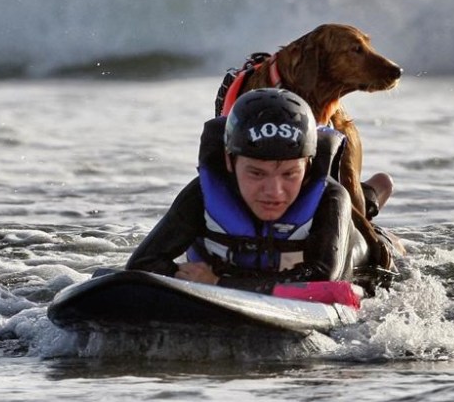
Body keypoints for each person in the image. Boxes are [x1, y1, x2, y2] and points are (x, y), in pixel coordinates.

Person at [125, 88, 398, 293]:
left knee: (373, 234)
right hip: (258, 271)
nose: (274, 191)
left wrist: (219, 282)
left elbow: (324, 281)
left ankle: (375, 193)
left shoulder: (331, 197)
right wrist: (180, 277)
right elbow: (143, 263)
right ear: (231, 162)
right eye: (256, 173)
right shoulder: (203, 193)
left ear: (309, 165)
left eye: (290, 174)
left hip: (356, 254)